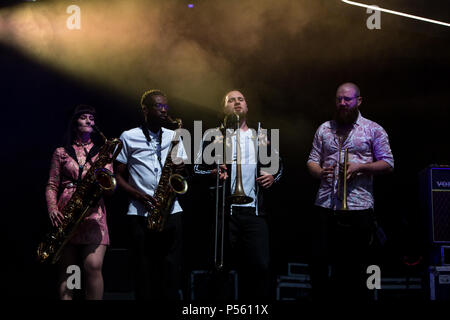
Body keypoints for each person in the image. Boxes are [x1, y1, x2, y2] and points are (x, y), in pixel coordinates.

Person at [306, 82, 394, 301]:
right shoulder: (324, 128)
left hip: (359, 206)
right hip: (326, 204)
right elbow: (311, 160)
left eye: (348, 99)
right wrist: (319, 172)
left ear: (359, 101)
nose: (343, 103)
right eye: (339, 99)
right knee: (319, 262)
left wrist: (360, 168)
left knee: (360, 265)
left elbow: (388, 163)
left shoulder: (373, 129)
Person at [194, 90, 283, 301]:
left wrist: (272, 177)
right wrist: (213, 173)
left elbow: (280, 167)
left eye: (240, 99)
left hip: (254, 212)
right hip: (224, 213)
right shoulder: (212, 135)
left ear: (247, 106)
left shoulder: (260, 134)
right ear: (223, 108)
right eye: (231, 100)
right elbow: (197, 169)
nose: (236, 103)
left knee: (260, 267)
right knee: (219, 269)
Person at [114, 89, 187, 300]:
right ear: (145, 109)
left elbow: (181, 170)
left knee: (171, 271)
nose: (164, 110)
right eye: (159, 106)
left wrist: (180, 169)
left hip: (171, 211)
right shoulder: (128, 136)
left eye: (166, 106)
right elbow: (117, 176)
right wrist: (138, 195)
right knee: (143, 271)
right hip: (140, 213)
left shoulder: (174, 135)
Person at [45, 104, 112, 300]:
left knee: (93, 266)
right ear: (75, 123)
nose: (89, 120)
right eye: (84, 117)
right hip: (67, 213)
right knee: (70, 270)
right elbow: (51, 184)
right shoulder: (61, 152)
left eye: (92, 118)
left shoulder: (103, 152)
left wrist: (107, 184)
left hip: (94, 213)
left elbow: (110, 187)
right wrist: (52, 209)